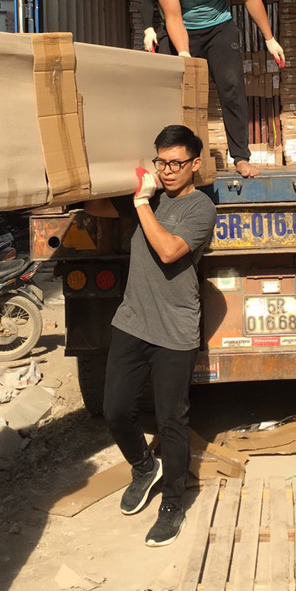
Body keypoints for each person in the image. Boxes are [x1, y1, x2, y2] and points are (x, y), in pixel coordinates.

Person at [91, 126, 216, 547]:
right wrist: (111, 177)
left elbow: (168, 250)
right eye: (161, 162)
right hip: (132, 321)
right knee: (115, 410)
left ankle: (172, 505)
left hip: (175, 330)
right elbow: (95, 205)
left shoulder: (200, 207)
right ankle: (145, 467)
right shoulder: (149, 195)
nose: (167, 170)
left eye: (176, 163)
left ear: (195, 164)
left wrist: (142, 202)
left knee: (171, 421)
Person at [154, 0, 285, 178]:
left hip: (218, 28)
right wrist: (184, 54)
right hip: (181, 30)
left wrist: (269, 38)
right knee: (175, 94)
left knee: (232, 88)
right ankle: (173, 159)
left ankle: (241, 157)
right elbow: (173, 17)